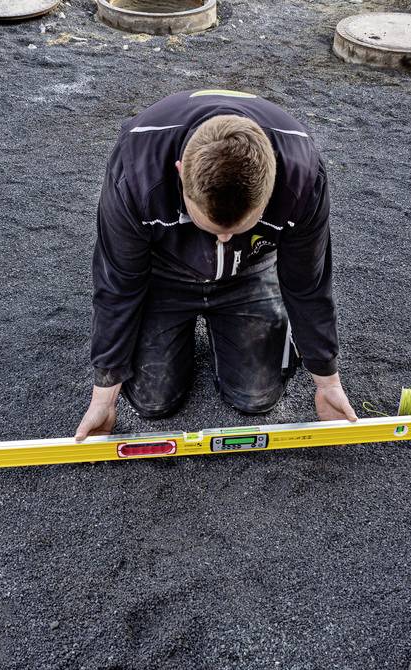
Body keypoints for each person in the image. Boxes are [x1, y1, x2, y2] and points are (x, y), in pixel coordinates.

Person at [75, 89, 356, 441]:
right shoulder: (135, 171)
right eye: (210, 227)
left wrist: (327, 380)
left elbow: (307, 283)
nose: (223, 239)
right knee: (153, 402)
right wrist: (104, 394)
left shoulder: (302, 175)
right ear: (180, 174)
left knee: (257, 397)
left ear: (271, 189)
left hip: (249, 268)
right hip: (163, 272)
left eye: (238, 228)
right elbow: (118, 284)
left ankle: (262, 314)